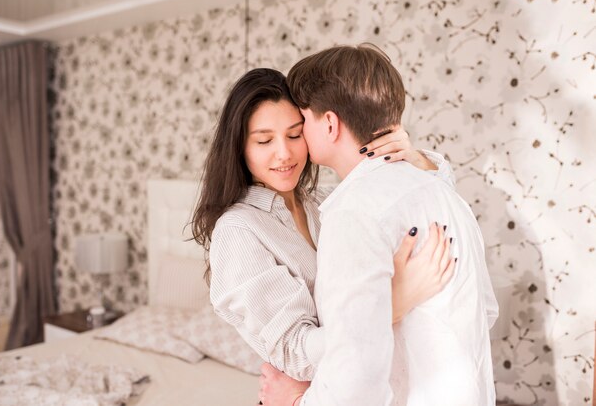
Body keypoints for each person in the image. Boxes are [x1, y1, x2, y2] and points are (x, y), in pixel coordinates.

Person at [259, 44, 498, 406]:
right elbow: (486, 312)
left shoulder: (355, 211)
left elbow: (355, 373)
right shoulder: (444, 194)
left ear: (329, 124)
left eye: (301, 122)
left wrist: (294, 403)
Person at [191, 67, 456, 388]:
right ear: (239, 147)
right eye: (264, 140)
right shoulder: (239, 230)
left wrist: (413, 159)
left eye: (294, 134)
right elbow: (297, 354)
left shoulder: (324, 201)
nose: (284, 153)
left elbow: (431, 205)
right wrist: (393, 303)